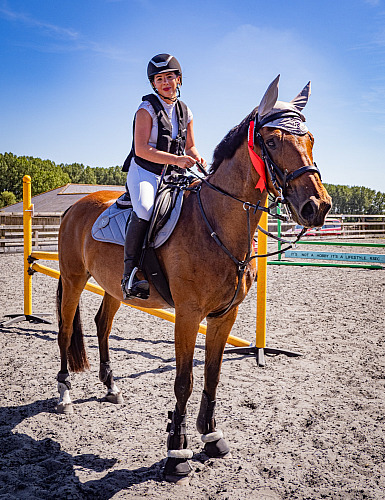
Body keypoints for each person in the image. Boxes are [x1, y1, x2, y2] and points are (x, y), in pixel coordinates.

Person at [121, 53, 207, 300]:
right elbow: (142, 149)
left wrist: (197, 159)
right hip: (145, 172)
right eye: (160, 79)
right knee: (146, 208)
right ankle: (130, 275)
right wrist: (177, 160)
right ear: (153, 84)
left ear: (179, 79)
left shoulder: (186, 111)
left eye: (170, 77)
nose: (165, 83)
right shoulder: (145, 109)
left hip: (173, 175)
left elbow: (190, 146)